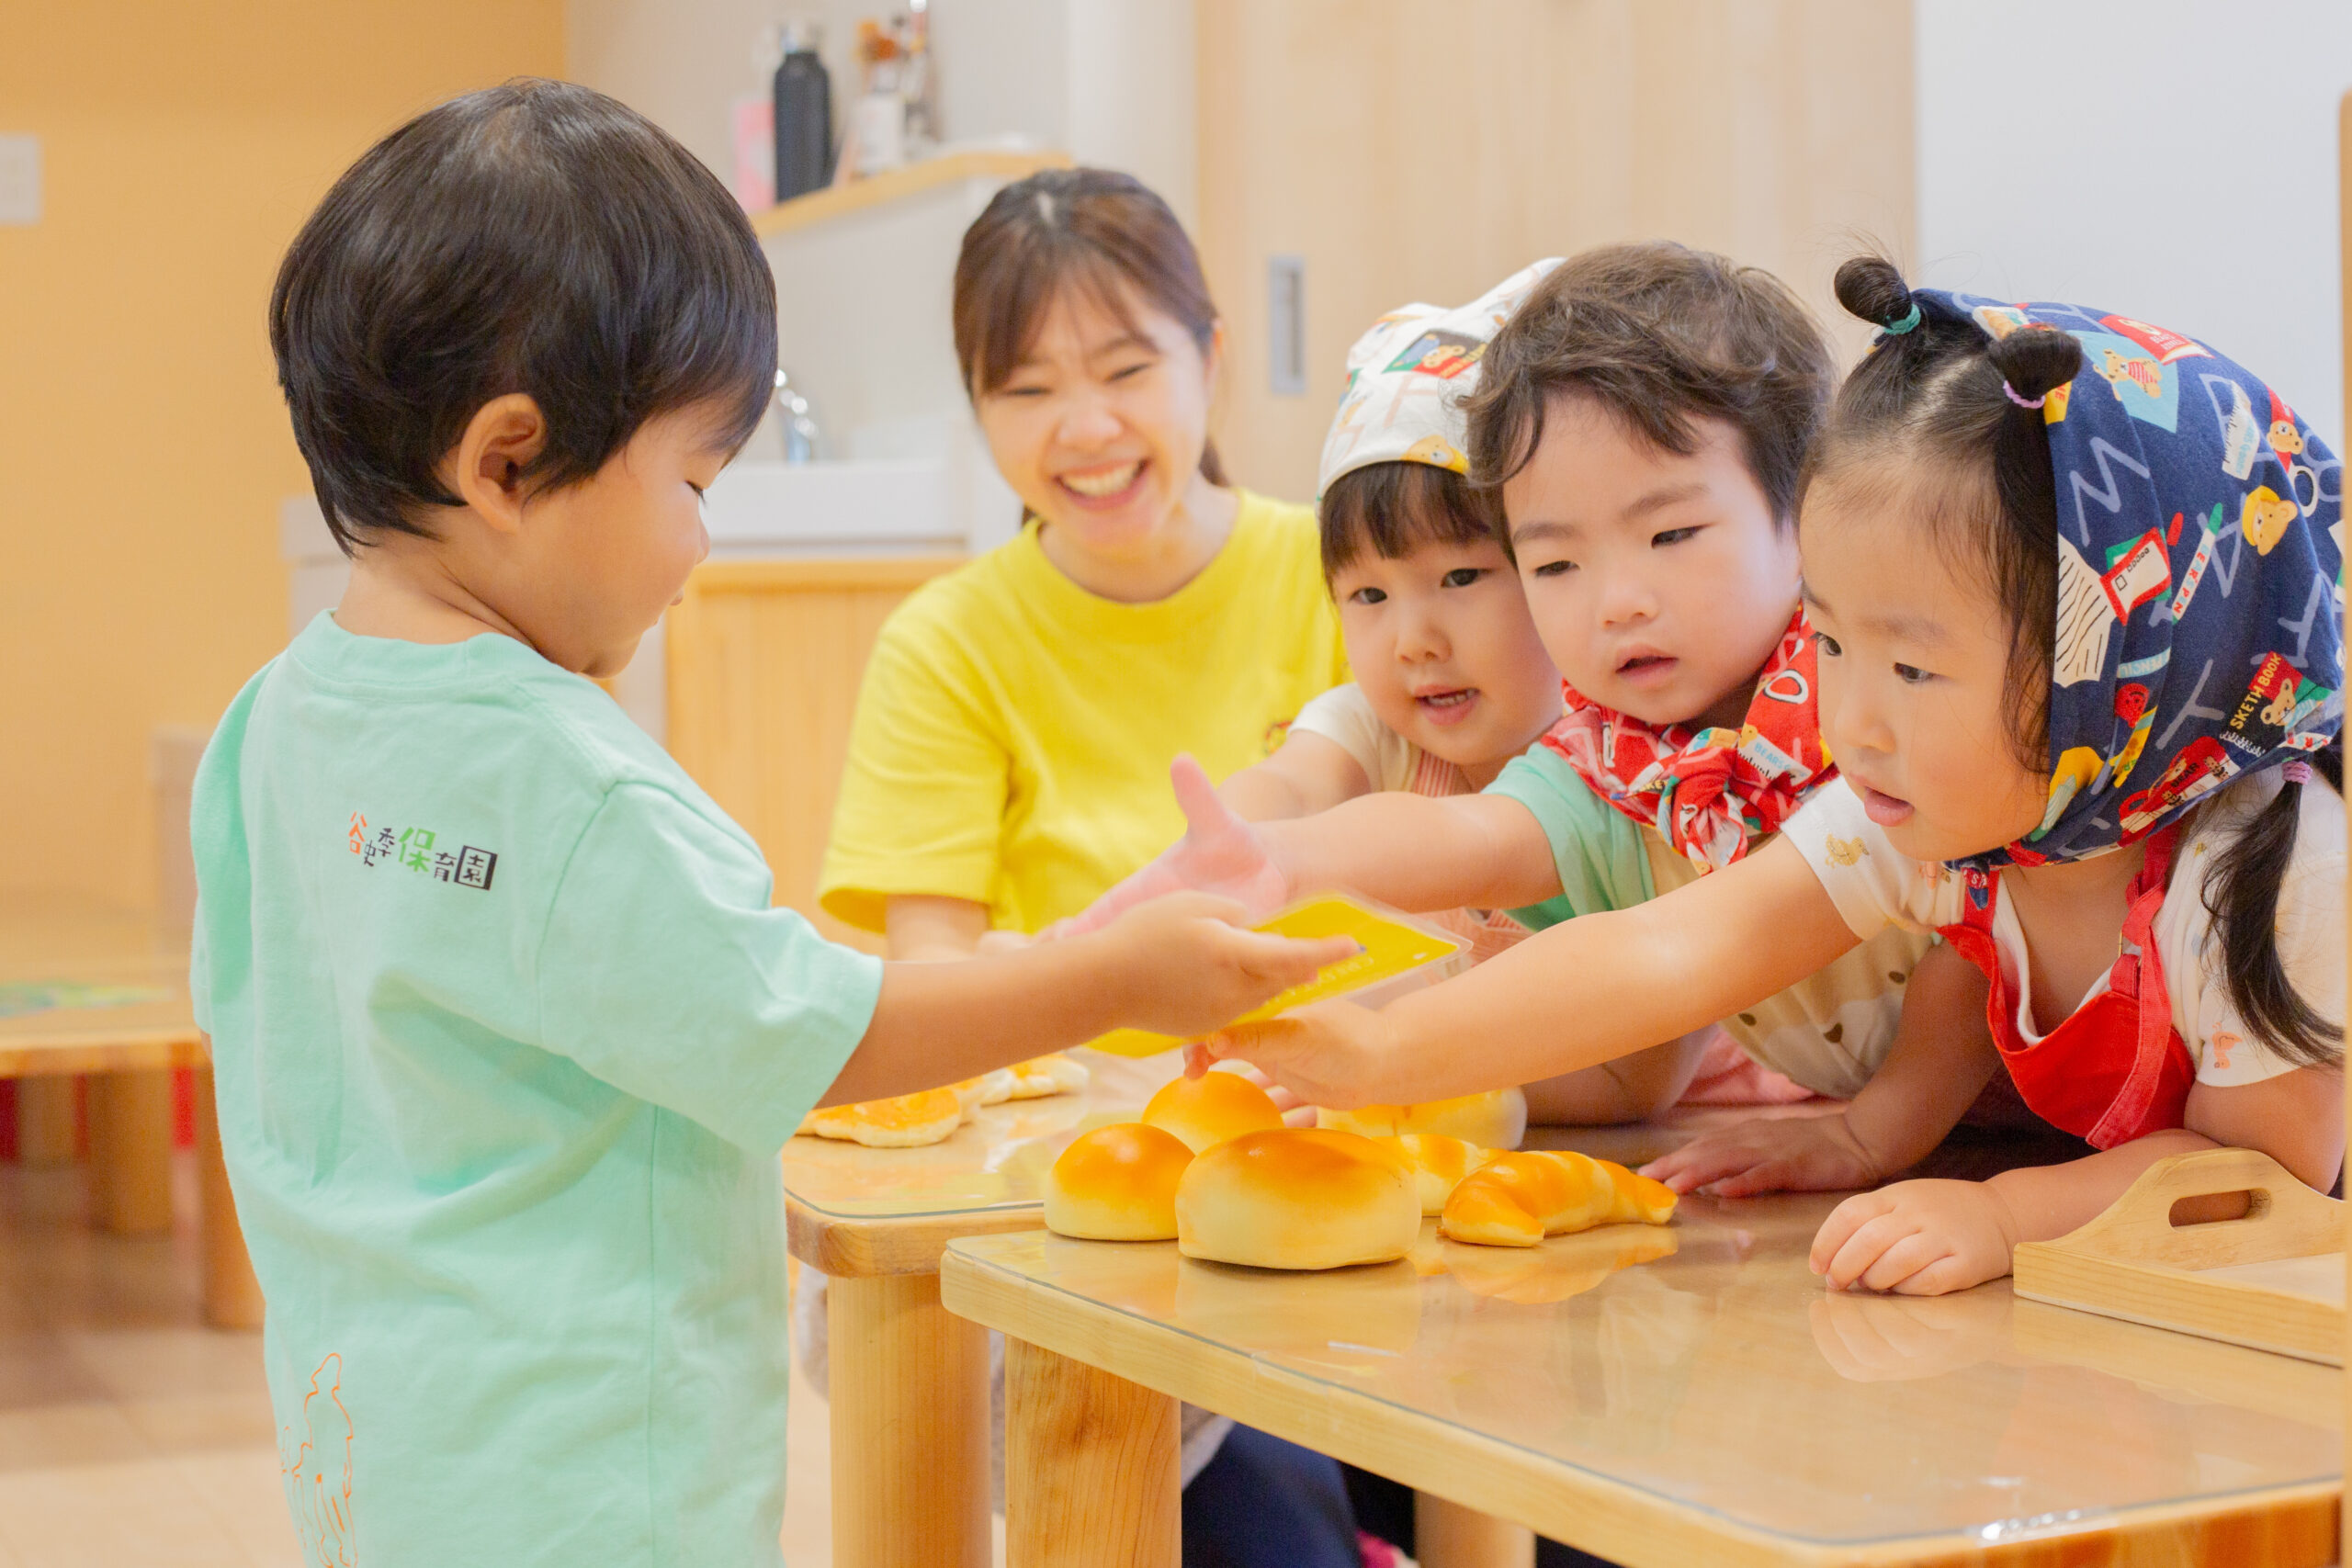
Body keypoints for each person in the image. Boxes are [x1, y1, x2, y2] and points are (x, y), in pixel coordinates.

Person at [189, 83, 1351, 1567]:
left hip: (376, 1432)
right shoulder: (574, 786)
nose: (701, 540)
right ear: (506, 462)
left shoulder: (272, 722)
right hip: (590, 1464)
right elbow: (825, 1032)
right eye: (691, 479)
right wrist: (1121, 976)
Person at [1200, 256, 2346, 1297]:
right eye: (1831, 645)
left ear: (2126, 659)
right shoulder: (1933, 815)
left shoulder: (2270, 871)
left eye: (1911, 665)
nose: (1849, 720)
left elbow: (2259, 1179)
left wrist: (2005, 1215)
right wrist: (1373, 1053)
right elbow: (1680, 949)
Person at [1071, 243, 1970, 1168]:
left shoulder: (1876, 705)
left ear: (1806, 512)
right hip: (1928, 1162)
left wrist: (1876, 1133)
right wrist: (1273, 860)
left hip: (2052, 1145)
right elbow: (1476, 838)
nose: (1617, 599)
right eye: (1555, 564)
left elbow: (1973, 960)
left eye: (1669, 533)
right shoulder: (1615, 756)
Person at [808, 166, 1363, 1566]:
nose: (1088, 427)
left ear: (1212, 360)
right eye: (1030, 388)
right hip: (1098, 1209)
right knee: (1265, 1516)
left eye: (1127, 366)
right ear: (980, 410)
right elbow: (932, 987)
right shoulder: (950, 641)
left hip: (1357, 1138)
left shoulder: (1346, 575)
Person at [1213, 256, 1810, 1120]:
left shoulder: (1646, 767)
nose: (1416, 640)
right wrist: (1218, 855)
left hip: (1727, 1138)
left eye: (1461, 578)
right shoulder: (1401, 732)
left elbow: (1634, 1080)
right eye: (1369, 596)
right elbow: (1294, 790)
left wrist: (1397, 1071)